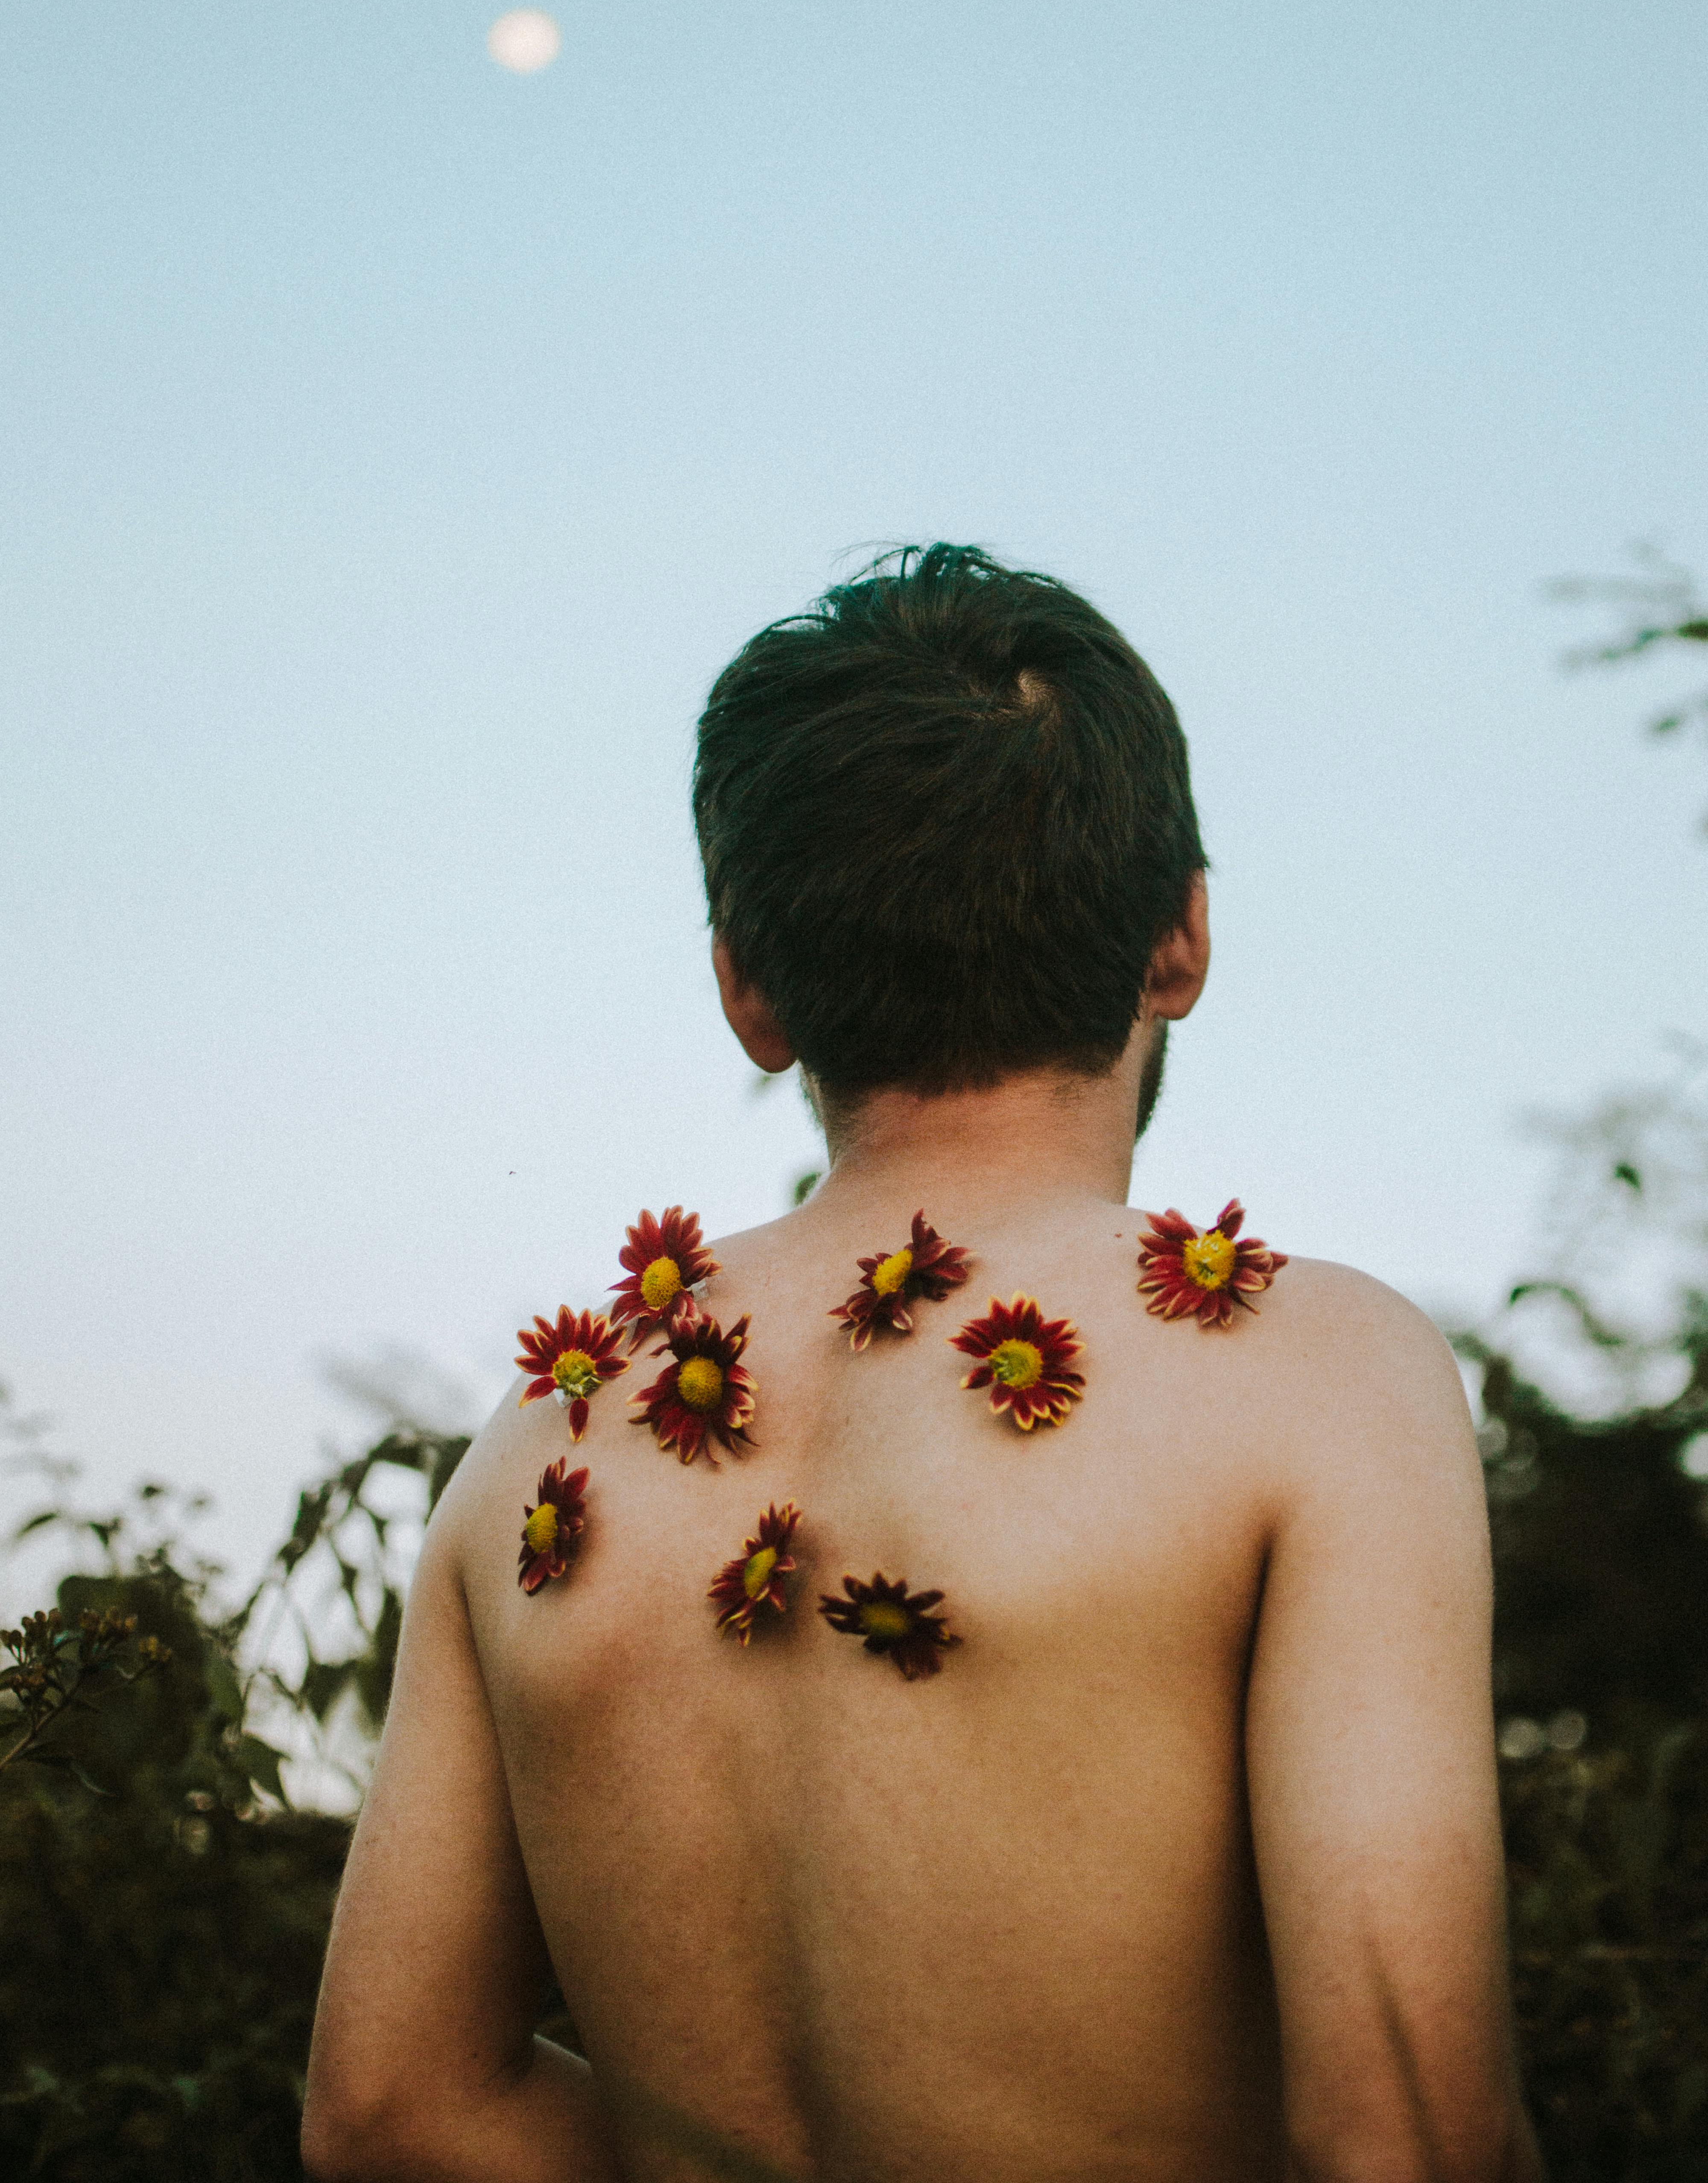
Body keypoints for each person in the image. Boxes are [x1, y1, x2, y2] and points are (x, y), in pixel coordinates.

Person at [303, 545, 1542, 2183]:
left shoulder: (550, 1437)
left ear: (750, 987)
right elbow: (1410, 2137)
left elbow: (389, 2109)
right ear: (1181, 939)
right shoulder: (1316, 1374)